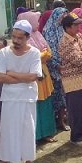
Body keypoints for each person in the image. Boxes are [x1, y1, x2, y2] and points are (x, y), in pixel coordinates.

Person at [0, 20, 42, 163]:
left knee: (28, 132)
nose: (16, 41)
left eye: (20, 37)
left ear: (28, 37)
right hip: (9, 98)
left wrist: (11, 74)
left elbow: (34, 76)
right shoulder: (4, 52)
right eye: (14, 37)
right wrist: (23, 76)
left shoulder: (34, 53)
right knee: (7, 133)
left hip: (27, 97)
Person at [17, 11, 57, 143]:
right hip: (32, 76)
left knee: (45, 103)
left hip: (43, 74)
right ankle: (34, 135)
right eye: (36, 21)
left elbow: (48, 52)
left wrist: (43, 55)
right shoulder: (20, 39)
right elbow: (26, 57)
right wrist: (41, 55)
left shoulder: (38, 35)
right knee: (33, 105)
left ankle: (46, 132)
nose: (38, 23)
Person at [59, 13, 82, 147]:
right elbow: (78, 61)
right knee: (75, 109)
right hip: (72, 82)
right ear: (68, 27)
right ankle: (76, 137)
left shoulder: (78, 36)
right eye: (76, 25)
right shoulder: (64, 43)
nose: (79, 27)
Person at [42, 7, 69, 131]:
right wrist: (57, 65)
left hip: (65, 66)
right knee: (56, 95)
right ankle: (56, 121)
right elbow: (48, 51)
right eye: (62, 15)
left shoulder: (62, 29)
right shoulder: (48, 30)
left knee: (63, 95)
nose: (63, 18)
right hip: (53, 68)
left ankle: (62, 120)